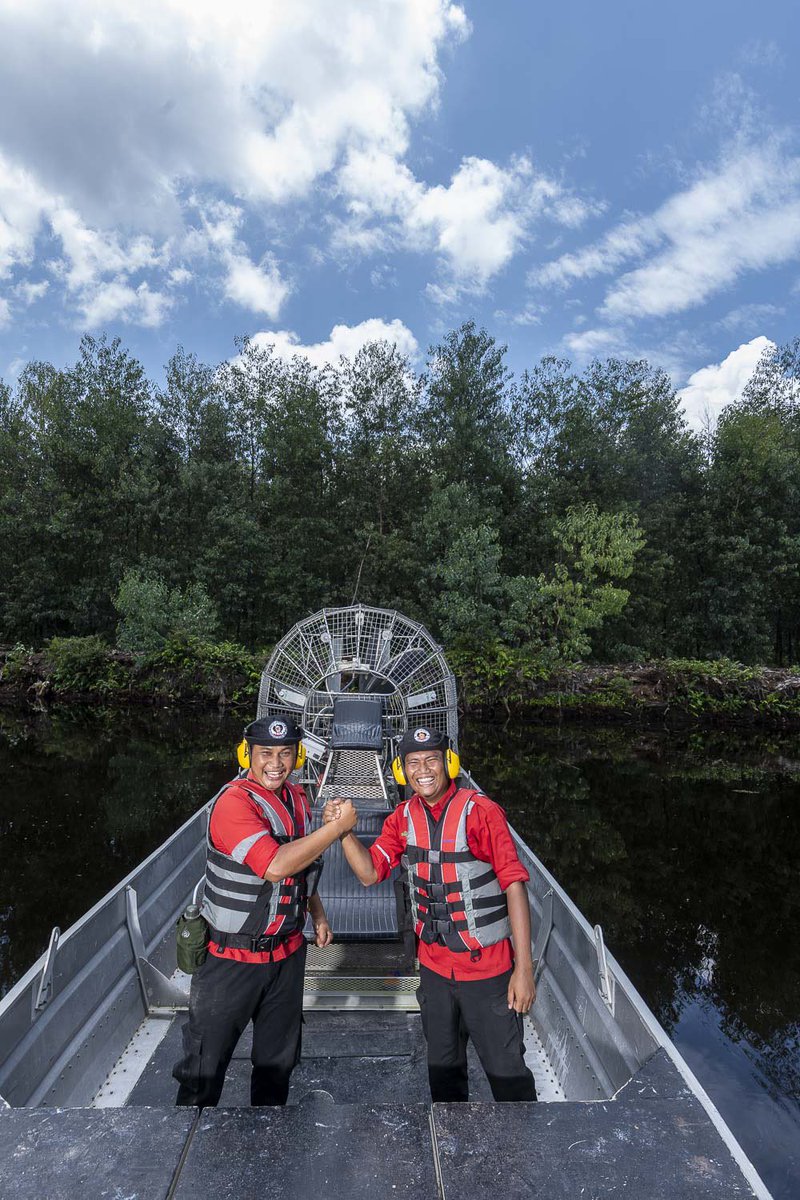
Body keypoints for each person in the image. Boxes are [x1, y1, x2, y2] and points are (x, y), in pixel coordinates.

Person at [323, 725, 536, 1103]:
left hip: (488, 973)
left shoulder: (481, 812)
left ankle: (522, 1151)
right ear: (402, 771)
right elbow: (370, 873)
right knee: (443, 1074)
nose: (424, 770)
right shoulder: (401, 818)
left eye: (432, 760)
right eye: (414, 763)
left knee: (509, 1077)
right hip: (435, 972)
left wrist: (524, 971)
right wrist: (343, 833)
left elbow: (514, 886)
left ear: (448, 763)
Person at [174, 716, 357, 1108]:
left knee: (277, 1065)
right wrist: (337, 830)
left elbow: (299, 867)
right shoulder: (232, 804)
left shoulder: (296, 798)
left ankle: (268, 1145)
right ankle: (184, 1147)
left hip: (286, 958)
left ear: (298, 756)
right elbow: (274, 865)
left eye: (285, 753)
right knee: (203, 1070)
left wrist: (318, 915)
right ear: (247, 755)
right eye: (265, 754)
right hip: (230, 962)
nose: (276, 763)